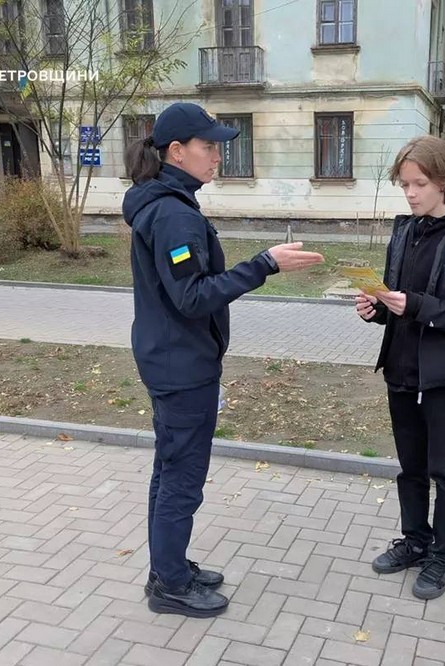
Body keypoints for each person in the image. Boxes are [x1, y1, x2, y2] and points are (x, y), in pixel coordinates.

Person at [122, 102, 324, 618]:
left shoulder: (167, 201)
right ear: (176, 152)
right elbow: (191, 297)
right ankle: (169, 585)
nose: (218, 156)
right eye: (209, 147)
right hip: (182, 367)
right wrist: (264, 265)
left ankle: (168, 568)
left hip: (173, 359)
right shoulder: (172, 212)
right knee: (182, 478)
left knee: (169, 470)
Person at [355, 135, 445, 600]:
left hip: (441, 376)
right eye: (405, 184)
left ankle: (442, 555)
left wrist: (416, 305)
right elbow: (397, 299)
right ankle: (415, 541)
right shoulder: (404, 231)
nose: (411, 193)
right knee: (410, 466)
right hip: (400, 369)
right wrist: (376, 308)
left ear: (444, 183)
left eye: (419, 184)